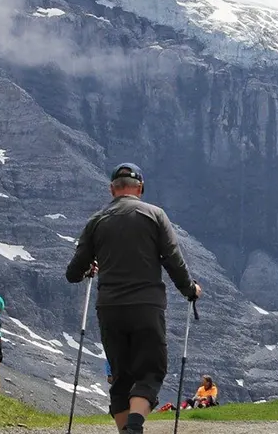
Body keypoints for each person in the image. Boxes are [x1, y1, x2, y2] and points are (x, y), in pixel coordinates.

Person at [66, 163, 203, 434]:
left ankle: (126, 431)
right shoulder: (154, 215)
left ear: (112, 189)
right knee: (150, 370)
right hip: (146, 305)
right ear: (140, 188)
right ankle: (135, 426)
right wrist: (190, 289)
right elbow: (172, 259)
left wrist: (88, 270)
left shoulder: (97, 220)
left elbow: (73, 272)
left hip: (110, 307)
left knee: (120, 377)